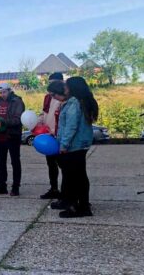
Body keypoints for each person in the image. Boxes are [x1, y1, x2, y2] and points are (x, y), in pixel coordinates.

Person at [54, 77, 98, 218]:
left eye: (66, 86)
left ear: (73, 88)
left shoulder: (74, 103)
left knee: (76, 177)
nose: (65, 89)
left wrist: (64, 145)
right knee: (79, 176)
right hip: (80, 144)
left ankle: (82, 207)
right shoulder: (82, 102)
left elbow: (71, 127)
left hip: (74, 145)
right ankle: (79, 204)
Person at [0, 83, 25, 196]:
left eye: (4, 92)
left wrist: (2, 122)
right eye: (0, 93)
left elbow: (18, 120)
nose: (2, 94)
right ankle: (2, 186)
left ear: (9, 90)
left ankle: (15, 187)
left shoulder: (17, 101)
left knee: (15, 162)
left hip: (12, 136)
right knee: (1, 163)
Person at [39, 72, 64, 199]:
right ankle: (54, 188)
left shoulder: (64, 98)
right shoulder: (48, 97)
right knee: (51, 165)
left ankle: (66, 193)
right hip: (48, 136)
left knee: (64, 166)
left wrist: (56, 132)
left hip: (59, 136)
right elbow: (44, 114)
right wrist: (38, 123)